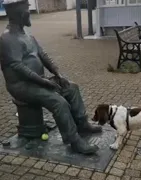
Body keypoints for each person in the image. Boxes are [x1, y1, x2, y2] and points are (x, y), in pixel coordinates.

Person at [0, 0, 102, 154]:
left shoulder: (28, 36)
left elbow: (44, 56)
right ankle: (74, 141)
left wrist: (58, 74)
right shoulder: (7, 39)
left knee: (71, 87)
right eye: (27, 11)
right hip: (21, 86)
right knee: (58, 102)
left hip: (36, 81)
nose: (30, 15)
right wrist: (44, 82)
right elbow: (18, 68)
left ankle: (82, 124)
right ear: (20, 15)